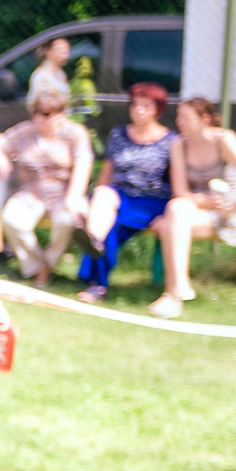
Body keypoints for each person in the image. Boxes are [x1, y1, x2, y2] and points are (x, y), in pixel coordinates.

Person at [164, 95, 236, 316]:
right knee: (175, 209)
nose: (179, 122)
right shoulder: (178, 144)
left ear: (205, 119)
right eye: (178, 117)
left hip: (225, 211)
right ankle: (179, 284)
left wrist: (233, 206)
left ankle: (171, 295)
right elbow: (180, 191)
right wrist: (202, 201)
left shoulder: (224, 139)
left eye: (186, 118)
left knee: (169, 223)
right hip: (196, 207)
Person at [0, 89, 92, 284]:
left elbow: (84, 163)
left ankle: (47, 267)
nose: (40, 118)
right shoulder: (24, 132)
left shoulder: (74, 134)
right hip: (31, 193)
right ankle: (38, 266)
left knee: (67, 221)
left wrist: (74, 195)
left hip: (63, 193)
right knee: (11, 219)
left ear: (60, 114)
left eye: (46, 114)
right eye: (36, 112)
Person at [83, 83, 173, 306]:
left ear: (157, 109)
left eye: (146, 106)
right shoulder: (118, 134)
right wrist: (94, 200)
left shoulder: (171, 141)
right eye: (135, 105)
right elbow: (107, 172)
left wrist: (169, 214)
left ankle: (96, 284)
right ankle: (93, 239)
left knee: (112, 228)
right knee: (103, 195)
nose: (139, 110)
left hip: (151, 201)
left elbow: (175, 181)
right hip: (119, 195)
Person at [27, 35, 73, 107]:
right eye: (61, 52)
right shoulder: (42, 77)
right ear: (48, 51)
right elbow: (34, 106)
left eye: (66, 52)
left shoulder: (60, 73)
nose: (66, 56)